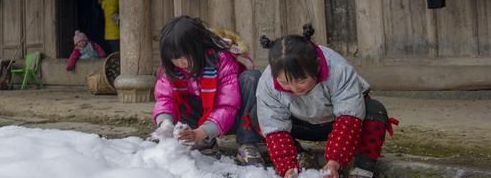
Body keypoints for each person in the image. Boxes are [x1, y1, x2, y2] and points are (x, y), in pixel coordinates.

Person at [256, 24, 397, 178]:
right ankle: (299, 157)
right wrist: (287, 168)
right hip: (299, 125)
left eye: (301, 80)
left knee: (374, 110)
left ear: (316, 66)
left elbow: (349, 119)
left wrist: (334, 162)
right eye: (285, 83)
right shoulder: (268, 83)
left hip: (336, 124)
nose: (295, 88)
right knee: (258, 117)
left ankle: (362, 169)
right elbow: (275, 127)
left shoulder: (338, 69)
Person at [151, 16, 264, 166]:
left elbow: (227, 105)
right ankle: (205, 141)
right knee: (178, 101)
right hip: (199, 118)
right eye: (174, 58)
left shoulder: (221, 60)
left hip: (234, 117)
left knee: (252, 78)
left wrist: (202, 131)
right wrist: (164, 124)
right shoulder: (172, 69)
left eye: (184, 57)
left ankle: (247, 143)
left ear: (197, 47)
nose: (180, 63)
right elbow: (165, 99)